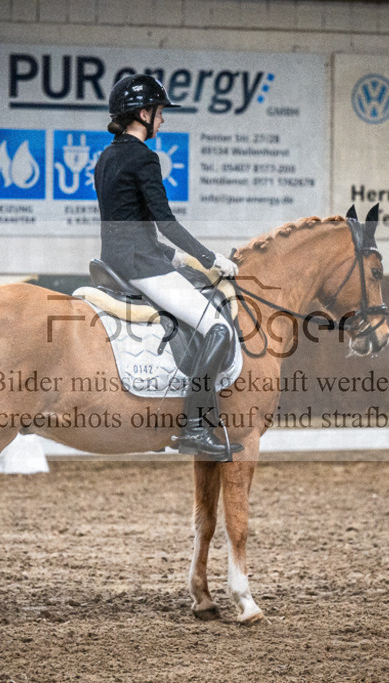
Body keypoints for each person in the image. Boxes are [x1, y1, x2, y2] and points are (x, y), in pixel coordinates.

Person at [93, 73, 242, 461]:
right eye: (159, 113)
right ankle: (195, 427)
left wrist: (176, 258)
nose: (163, 121)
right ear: (143, 113)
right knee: (219, 329)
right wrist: (213, 259)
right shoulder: (143, 157)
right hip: (142, 267)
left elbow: (127, 224)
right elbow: (165, 221)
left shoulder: (105, 158)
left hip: (118, 260)